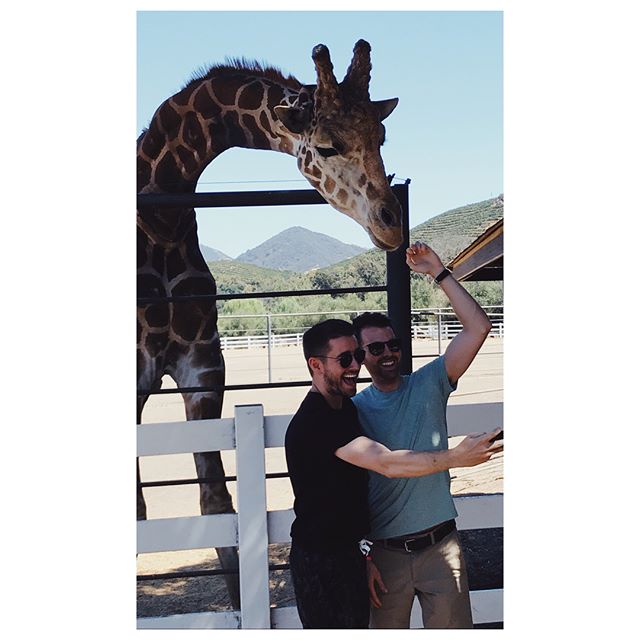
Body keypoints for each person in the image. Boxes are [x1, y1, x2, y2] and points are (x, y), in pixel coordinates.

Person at [285, 318, 502, 629]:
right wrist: (456, 456)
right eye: (345, 358)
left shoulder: (344, 408)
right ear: (316, 365)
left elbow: (347, 498)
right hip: (321, 564)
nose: (354, 366)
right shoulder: (317, 421)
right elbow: (387, 463)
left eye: (356, 356)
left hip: (350, 555)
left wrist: (364, 556)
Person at [351, 240, 502, 629]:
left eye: (394, 344)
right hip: (385, 554)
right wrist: (364, 556)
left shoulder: (430, 383)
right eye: (376, 347)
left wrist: (439, 271)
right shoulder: (353, 411)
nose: (388, 353)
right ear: (360, 355)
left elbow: (478, 327)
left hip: (441, 547)